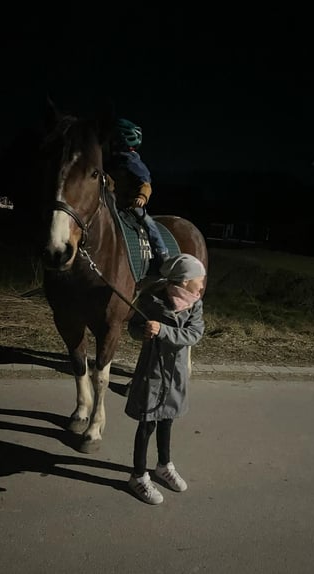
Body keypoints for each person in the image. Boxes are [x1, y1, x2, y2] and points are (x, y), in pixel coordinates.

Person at [124, 254, 207, 505]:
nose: (202, 286)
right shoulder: (151, 300)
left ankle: (163, 465)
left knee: (167, 419)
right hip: (153, 371)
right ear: (183, 282)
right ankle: (138, 476)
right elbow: (134, 328)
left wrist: (163, 330)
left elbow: (194, 334)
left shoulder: (195, 304)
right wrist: (144, 332)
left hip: (176, 373)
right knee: (147, 423)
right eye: (198, 280)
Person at [104, 118, 170, 274]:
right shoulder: (110, 162)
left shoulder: (130, 161)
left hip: (130, 204)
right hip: (113, 203)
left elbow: (146, 183)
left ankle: (163, 254)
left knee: (148, 223)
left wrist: (142, 197)